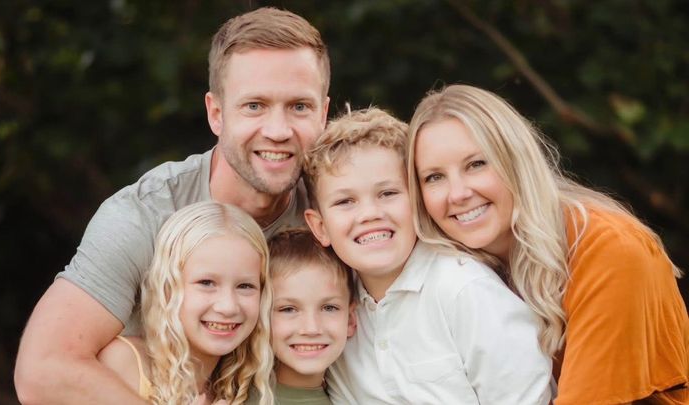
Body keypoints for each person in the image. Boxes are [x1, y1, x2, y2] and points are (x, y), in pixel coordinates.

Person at [14, 7, 330, 404]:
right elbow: (42, 370)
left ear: (323, 113)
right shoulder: (145, 215)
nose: (278, 130)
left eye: (299, 106)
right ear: (216, 114)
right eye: (254, 106)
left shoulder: (339, 209)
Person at [408, 84, 689, 404]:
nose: (457, 194)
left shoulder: (609, 250)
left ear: (516, 160)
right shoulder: (450, 277)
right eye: (434, 177)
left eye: (476, 164)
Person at [303, 107, 552, 404]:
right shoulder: (335, 310)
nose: (370, 214)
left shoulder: (465, 290)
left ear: (419, 203)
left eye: (388, 194)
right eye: (345, 201)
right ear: (320, 227)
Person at [97, 201, 273, 404]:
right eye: (206, 283)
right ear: (167, 287)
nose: (228, 307)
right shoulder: (124, 362)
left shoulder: (238, 385)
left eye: (245, 286)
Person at [246, 229, 357, 404]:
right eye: (289, 309)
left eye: (329, 308)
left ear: (350, 320)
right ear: (260, 317)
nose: (311, 329)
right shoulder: (229, 394)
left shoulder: (349, 397)